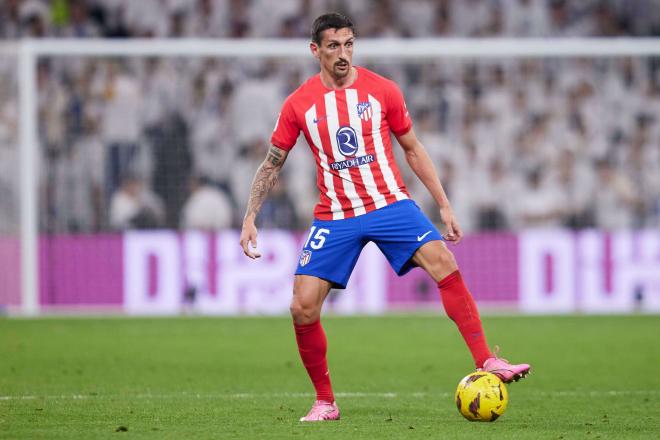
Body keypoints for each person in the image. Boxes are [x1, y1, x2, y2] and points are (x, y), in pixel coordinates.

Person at [239, 12, 530, 422]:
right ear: (315, 50)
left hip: (390, 204)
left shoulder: (382, 91)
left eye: (349, 44)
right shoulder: (298, 104)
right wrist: (251, 215)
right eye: (334, 46)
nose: (343, 54)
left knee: (445, 263)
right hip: (335, 215)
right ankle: (325, 402)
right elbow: (273, 163)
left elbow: (412, 148)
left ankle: (487, 360)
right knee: (302, 308)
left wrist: (443, 203)